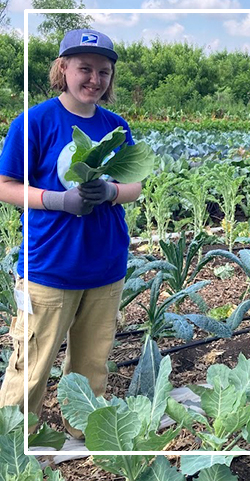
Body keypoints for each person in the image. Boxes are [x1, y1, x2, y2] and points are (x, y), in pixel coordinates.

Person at [0, 29, 142, 438]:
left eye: (103, 71)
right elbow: (6, 184)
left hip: (105, 266)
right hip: (49, 266)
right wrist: (57, 201)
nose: (94, 79)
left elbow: (135, 183)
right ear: (63, 68)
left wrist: (112, 192)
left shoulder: (115, 126)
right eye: (85, 69)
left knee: (92, 366)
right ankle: (12, 444)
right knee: (31, 364)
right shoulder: (34, 122)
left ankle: (82, 434)